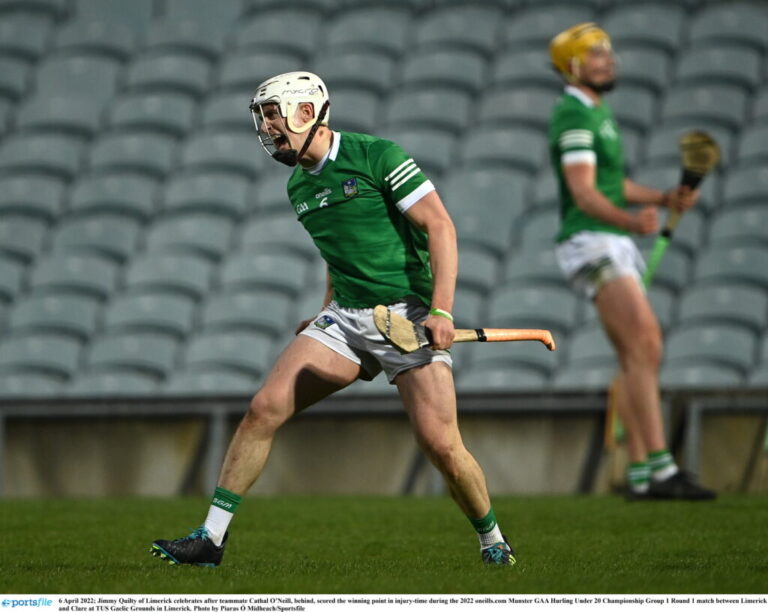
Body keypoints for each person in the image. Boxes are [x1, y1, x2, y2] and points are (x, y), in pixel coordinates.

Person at [150, 71, 516, 566]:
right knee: (263, 409)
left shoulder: (377, 155)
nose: (268, 130)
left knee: (442, 446)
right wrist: (325, 311)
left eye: (274, 117)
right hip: (345, 317)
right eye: (264, 120)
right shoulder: (299, 184)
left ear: (307, 111)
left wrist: (442, 309)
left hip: (405, 316)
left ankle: (493, 542)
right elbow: (337, 252)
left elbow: (440, 226)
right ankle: (210, 540)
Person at [548, 24, 716, 501]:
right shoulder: (572, 115)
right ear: (574, 66)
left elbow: (614, 185)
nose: (609, 60)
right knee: (645, 341)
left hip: (608, 238)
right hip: (591, 241)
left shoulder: (598, 114)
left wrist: (664, 198)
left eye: (609, 52)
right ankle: (662, 470)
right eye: (596, 54)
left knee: (634, 353)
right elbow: (583, 190)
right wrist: (630, 221)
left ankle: (643, 473)